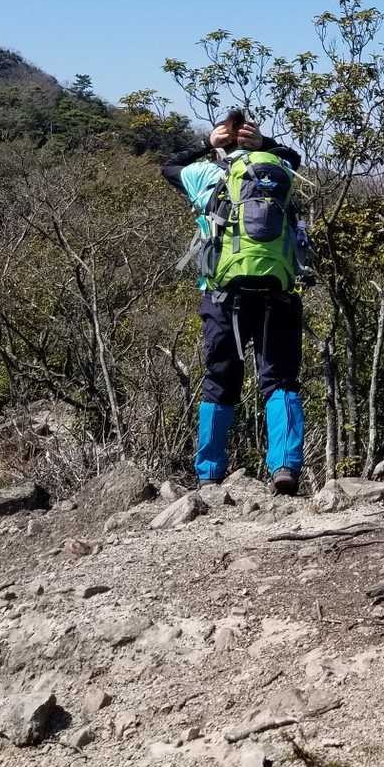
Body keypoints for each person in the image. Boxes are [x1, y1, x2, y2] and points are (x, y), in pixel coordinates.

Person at [162, 110, 306, 494]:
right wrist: (265, 144)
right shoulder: (279, 171)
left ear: (222, 146)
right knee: (280, 380)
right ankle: (285, 466)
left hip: (223, 296)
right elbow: (294, 158)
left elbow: (169, 167)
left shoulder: (207, 175)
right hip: (278, 292)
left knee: (219, 381)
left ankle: (209, 473)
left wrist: (206, 144)